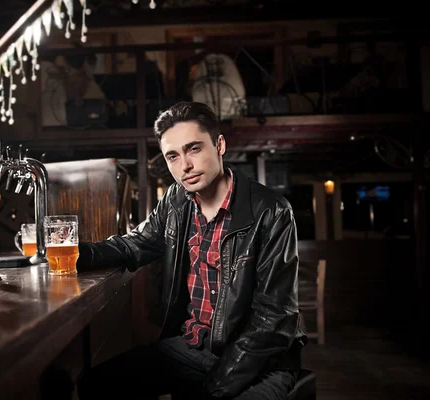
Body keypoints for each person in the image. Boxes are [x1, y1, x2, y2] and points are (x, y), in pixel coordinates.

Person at [76, 102, 306, 399]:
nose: (184, 165)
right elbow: (136, 244)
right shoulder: (177, 201)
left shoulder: (271, 211)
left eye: (194, 149)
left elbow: (273, 319)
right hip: (195, 346)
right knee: (97, 384)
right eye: (173, 156)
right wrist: (73, 253)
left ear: (219, 144)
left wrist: (213, 388)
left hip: (260, 358)